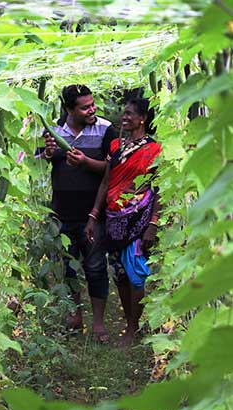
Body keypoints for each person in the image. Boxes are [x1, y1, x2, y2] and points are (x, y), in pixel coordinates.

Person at [38, 84, 117, 343]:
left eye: (92, 104)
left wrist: (85, 162)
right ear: (70, 109)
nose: (92, 109)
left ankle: (98, 324)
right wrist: (48, 154)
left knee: (95, 268)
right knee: (68, 269)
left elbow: (111, 168)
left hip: (94, 214)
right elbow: (40, 159)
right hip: (61, 213)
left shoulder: (105, 129)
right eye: (85, 107)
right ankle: (75, 318)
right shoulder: (52, 130)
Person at [85, 97, 162, 347]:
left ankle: (132, 329)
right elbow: (106, 183)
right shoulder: (117, 145)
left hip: (139, 221)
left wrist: (153, 223)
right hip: (114, 221)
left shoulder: (154, 150)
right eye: (124, 114)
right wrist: (94, 215)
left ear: (143, 118)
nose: (125, 117)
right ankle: (131, 322)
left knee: (137, 275)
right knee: (120, 274)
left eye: (130, 114)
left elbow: (159, 189)